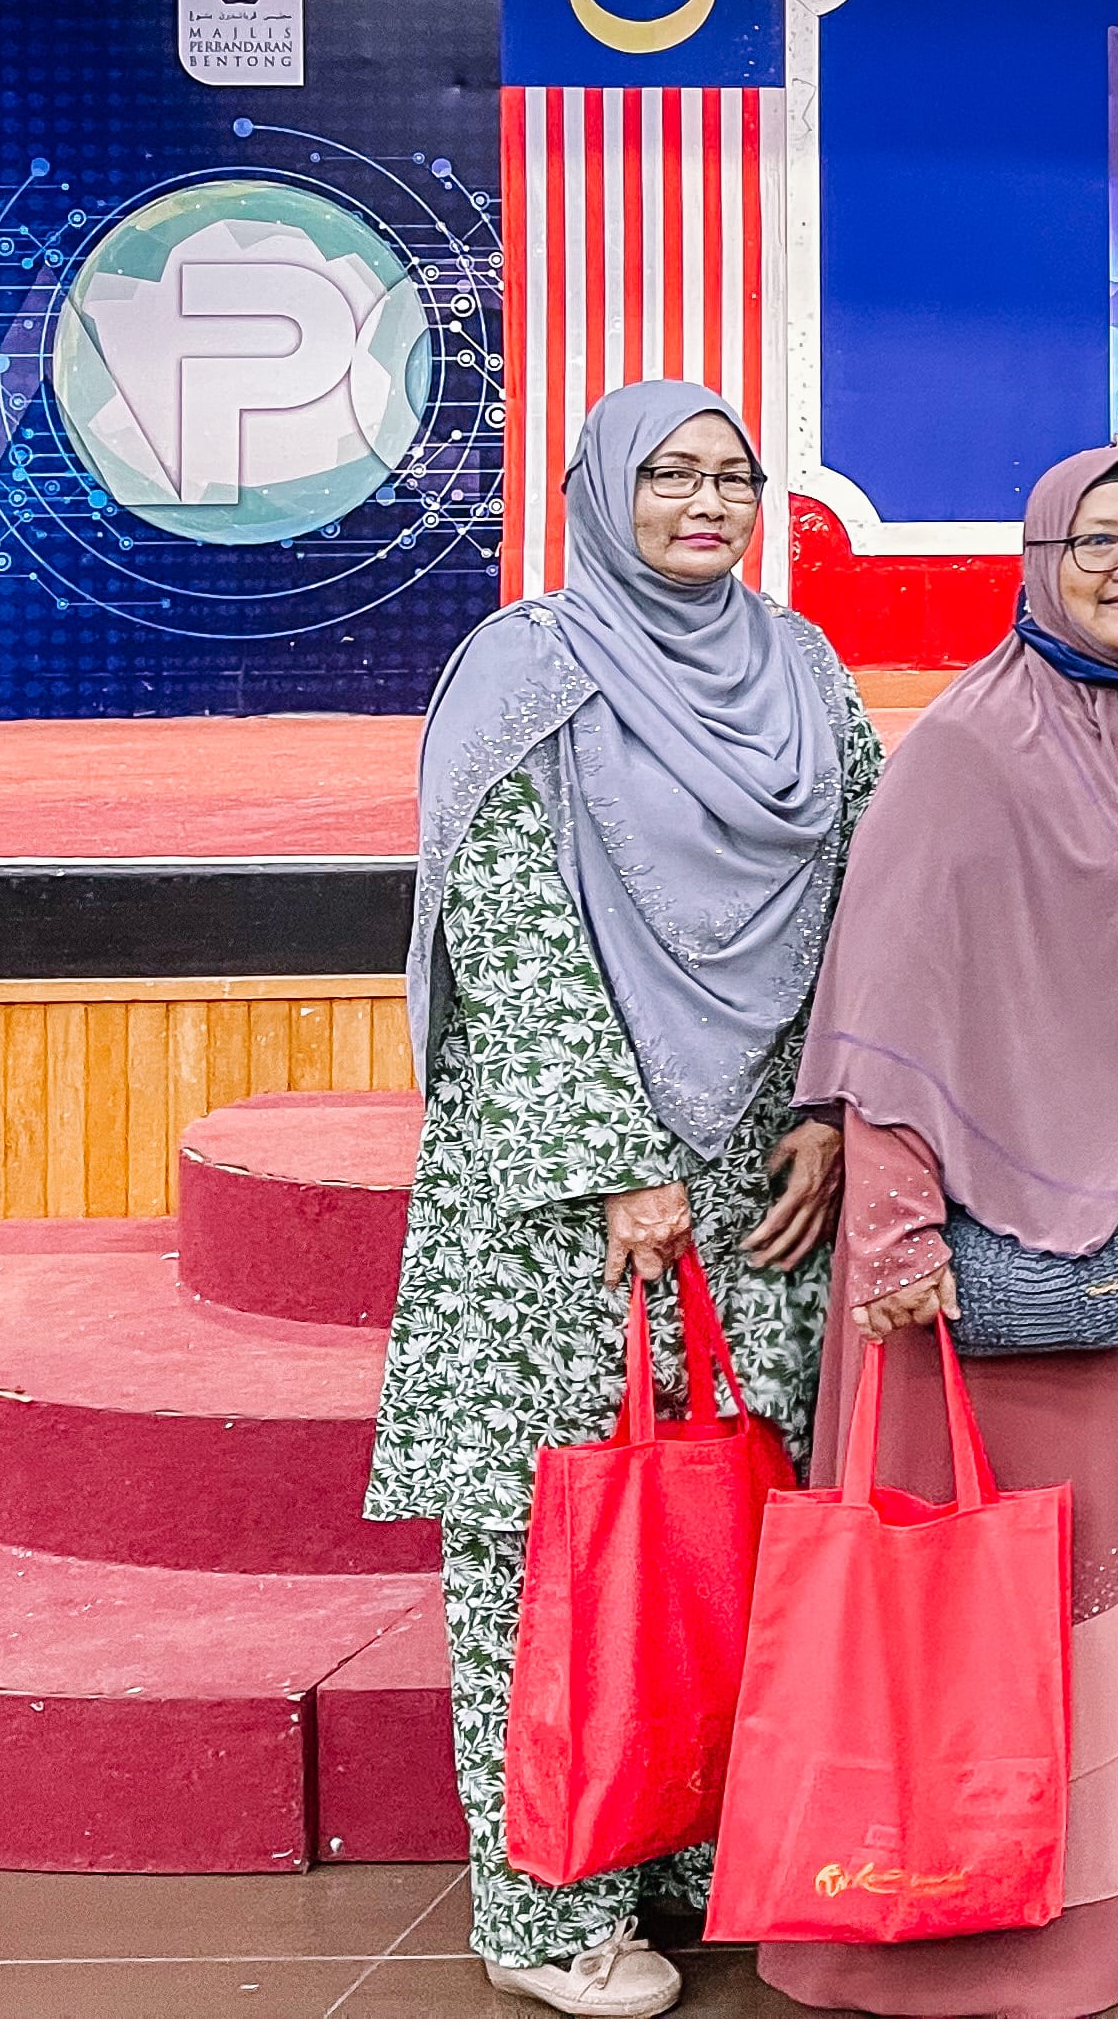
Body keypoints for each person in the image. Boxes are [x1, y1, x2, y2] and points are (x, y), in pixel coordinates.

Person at [371, 380, 879, 2019]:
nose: (705, 502)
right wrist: (620, 1157)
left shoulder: (798, 671)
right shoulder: (530, 664)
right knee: (556, 1537)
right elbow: (503, 925)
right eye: (666, 472)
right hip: (565, 1186)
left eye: (731, 475)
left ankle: (670, 1845)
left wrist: (827, 1106)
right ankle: (544, 1903)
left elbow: (865, 891)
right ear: (600, 488)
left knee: (707, 1522)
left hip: (754, 1168)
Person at [773, 448, 1118, 2019]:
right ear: (1038, 556)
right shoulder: (968, 748)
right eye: (1098, 541)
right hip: (995, 1249)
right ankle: (985, 1907)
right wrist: (898, 1239)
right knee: (1000, 1587)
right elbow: (892, 1004)